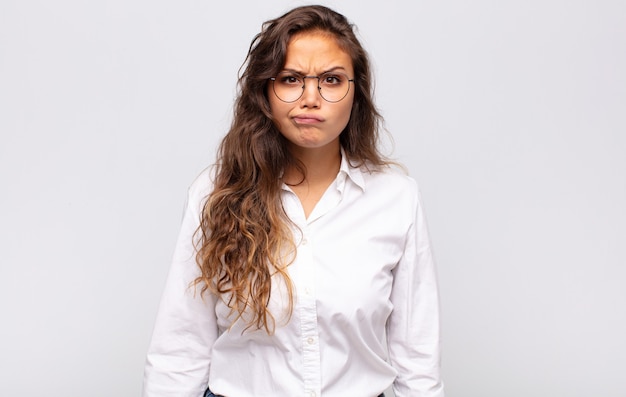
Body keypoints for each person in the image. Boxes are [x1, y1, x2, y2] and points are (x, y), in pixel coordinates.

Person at [143, 5, 444, 397]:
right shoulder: (214, 192)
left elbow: (416, 358)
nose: (310, 98)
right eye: (291, 79)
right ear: (265, 91)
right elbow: (180, 348)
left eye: (332, 80)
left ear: (357, 92)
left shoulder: (396, 197)